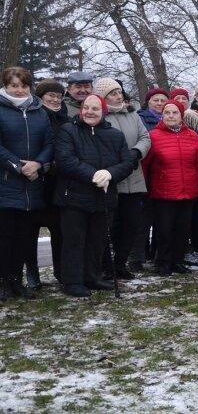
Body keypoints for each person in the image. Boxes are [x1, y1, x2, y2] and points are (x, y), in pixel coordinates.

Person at [55, 94, 134, 297]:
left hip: (104, 197)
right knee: (74, 240)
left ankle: (92, 277)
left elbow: (126, 163)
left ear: (103, 112)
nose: (90, 112)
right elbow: (66, 160)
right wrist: (93, 175)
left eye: (95, 109)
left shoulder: (115, 135)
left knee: (96, 240)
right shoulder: (68, 130)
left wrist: (110, 173)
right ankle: (72, 281)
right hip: (73, 197)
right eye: (86, 108)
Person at [0, 67, 53, 300]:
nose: (19, 90)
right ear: (5, 87)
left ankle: (16, 280)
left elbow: (50, 143)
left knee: (23, 237)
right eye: (14, 86)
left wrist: (39, 164)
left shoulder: (39, 111)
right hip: (6, 183)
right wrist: (18, 166)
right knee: (5, 237)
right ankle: (3, 283)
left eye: (23, 86)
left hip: (32, 185)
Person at [95, 78, 151, 280]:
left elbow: (145, 138)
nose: (119, 96)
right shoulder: (100, 116)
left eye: (119, 92)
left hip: (134, 178)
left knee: (131, 225)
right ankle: (105, 266)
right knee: (110, 226)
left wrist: (136, 153)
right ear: (103, 97)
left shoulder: (132, 113)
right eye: (113, 93)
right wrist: (119, 162)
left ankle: (120, 264)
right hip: (112, 179)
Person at [142, 99, 198, 276]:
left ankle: (178, 261)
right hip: (163, 192)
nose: (171, 116)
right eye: (167, 113)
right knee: (164, 229)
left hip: (188, 192)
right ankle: (162, 262)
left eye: (174, 113)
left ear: (181, 115)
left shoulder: (192, 135)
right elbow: (145, 165)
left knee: (182, 229)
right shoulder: (153, 136)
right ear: (162, 115)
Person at [26, 79, 69, 287]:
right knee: (29, 232)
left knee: (59, 231)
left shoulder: (65, 119)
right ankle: (32, 274)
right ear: (40, 96)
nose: (55, 99)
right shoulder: (32, 116)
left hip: (58, 183)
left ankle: (61, 272)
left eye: (59, 96)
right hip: (34, 180)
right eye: (51, 95)